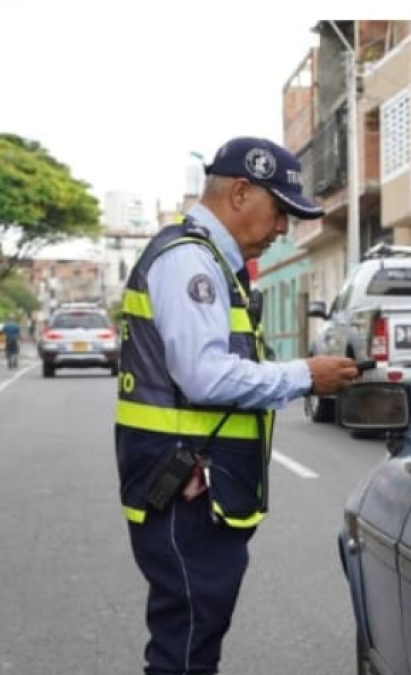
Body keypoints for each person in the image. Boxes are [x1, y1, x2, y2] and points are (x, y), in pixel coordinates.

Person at [114, 136, 359, 675]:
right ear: (242, 193)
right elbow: (204, 376)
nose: (281, 231)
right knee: (185, 649)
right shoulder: (191, 263)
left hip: (193, 488)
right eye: (280, 213)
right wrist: (305, 376)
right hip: (186, 489)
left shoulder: (211, 263)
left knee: (193, 640)